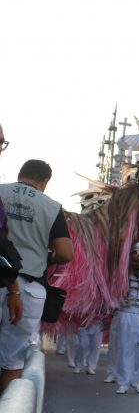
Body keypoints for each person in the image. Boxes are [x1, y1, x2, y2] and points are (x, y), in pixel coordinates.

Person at [0, 160, 74, 393]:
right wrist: (47, 256)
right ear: (45, 182)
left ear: (20, 174)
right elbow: (65, 252)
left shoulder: (1, 191)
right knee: (13, 359)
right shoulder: (51, 207)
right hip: (28, 287)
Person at [114, 241, 139, 394]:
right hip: (127, 312)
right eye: (136, 252)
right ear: (131, 254)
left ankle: (136, 380)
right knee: (125, 347)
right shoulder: (124, 270)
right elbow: (116, 289)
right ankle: (123, 382)